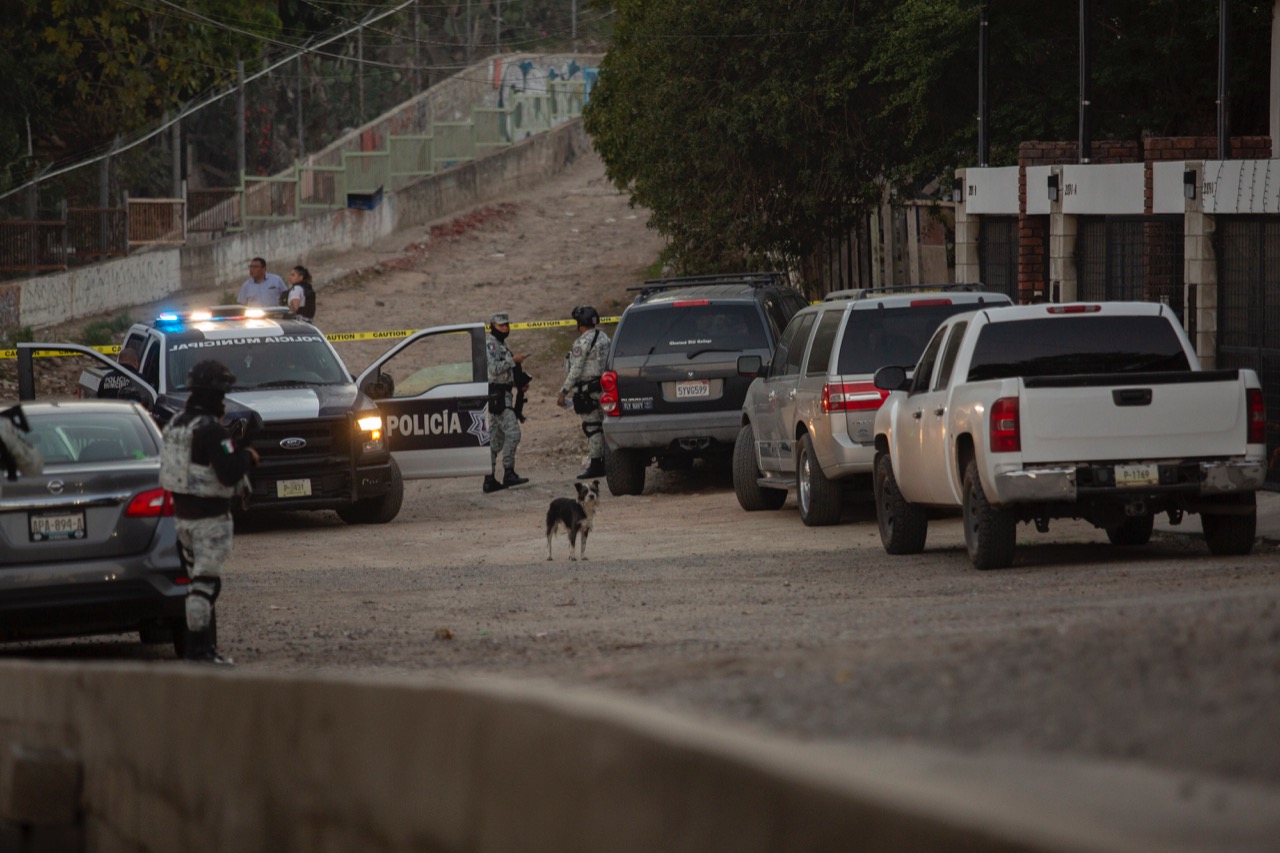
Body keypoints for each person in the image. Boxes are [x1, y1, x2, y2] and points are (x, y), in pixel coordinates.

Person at [158, 360, 258, 665]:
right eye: (223, 394)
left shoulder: (175, 424)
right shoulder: (211, 429)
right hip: (208, 521)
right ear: (215, 394)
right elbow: (228, 473)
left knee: (198, 585)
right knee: (205, 587)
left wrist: (233, 446)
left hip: (183, 519)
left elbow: (195, 464)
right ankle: (199, 653)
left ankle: (204, 649)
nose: (225, 400)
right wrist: (248, 456)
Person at [556, 305, 610, 479]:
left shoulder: (582, 342)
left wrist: (563, 391)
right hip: (604, 387)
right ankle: (607, 461)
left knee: (592, 427)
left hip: (588, 389)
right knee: (605, 425)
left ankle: (596, 465)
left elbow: (576, 369)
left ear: (581, 323)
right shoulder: (604, 338)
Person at [483, 311, 529, 493]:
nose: (505, 328)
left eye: (506, 325)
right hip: (498, 397)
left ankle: (489, 478)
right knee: (514, 434)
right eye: (501, 325)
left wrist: (519, 382)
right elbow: (494, 369)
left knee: (495, 441)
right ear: (492, 326)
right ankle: (508, 473)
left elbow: (504, 372)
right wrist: (513, 360)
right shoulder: (490, 345)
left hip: (504, 394)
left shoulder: (502, 344)